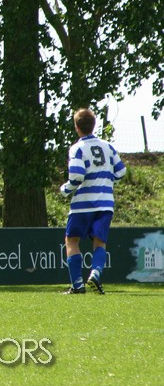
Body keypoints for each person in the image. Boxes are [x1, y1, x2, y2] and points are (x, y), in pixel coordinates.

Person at [59, 107, 126, 294]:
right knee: (99, 242)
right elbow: (121, 171)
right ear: (94, 125)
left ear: (76, 127)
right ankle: (95, 274)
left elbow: (77, 176)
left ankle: (77, 285)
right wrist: (107, 180)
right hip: (105, 203)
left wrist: (65, 189)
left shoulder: (77, 148)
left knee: (71, 240)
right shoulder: (108, 146)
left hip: (83, 204)